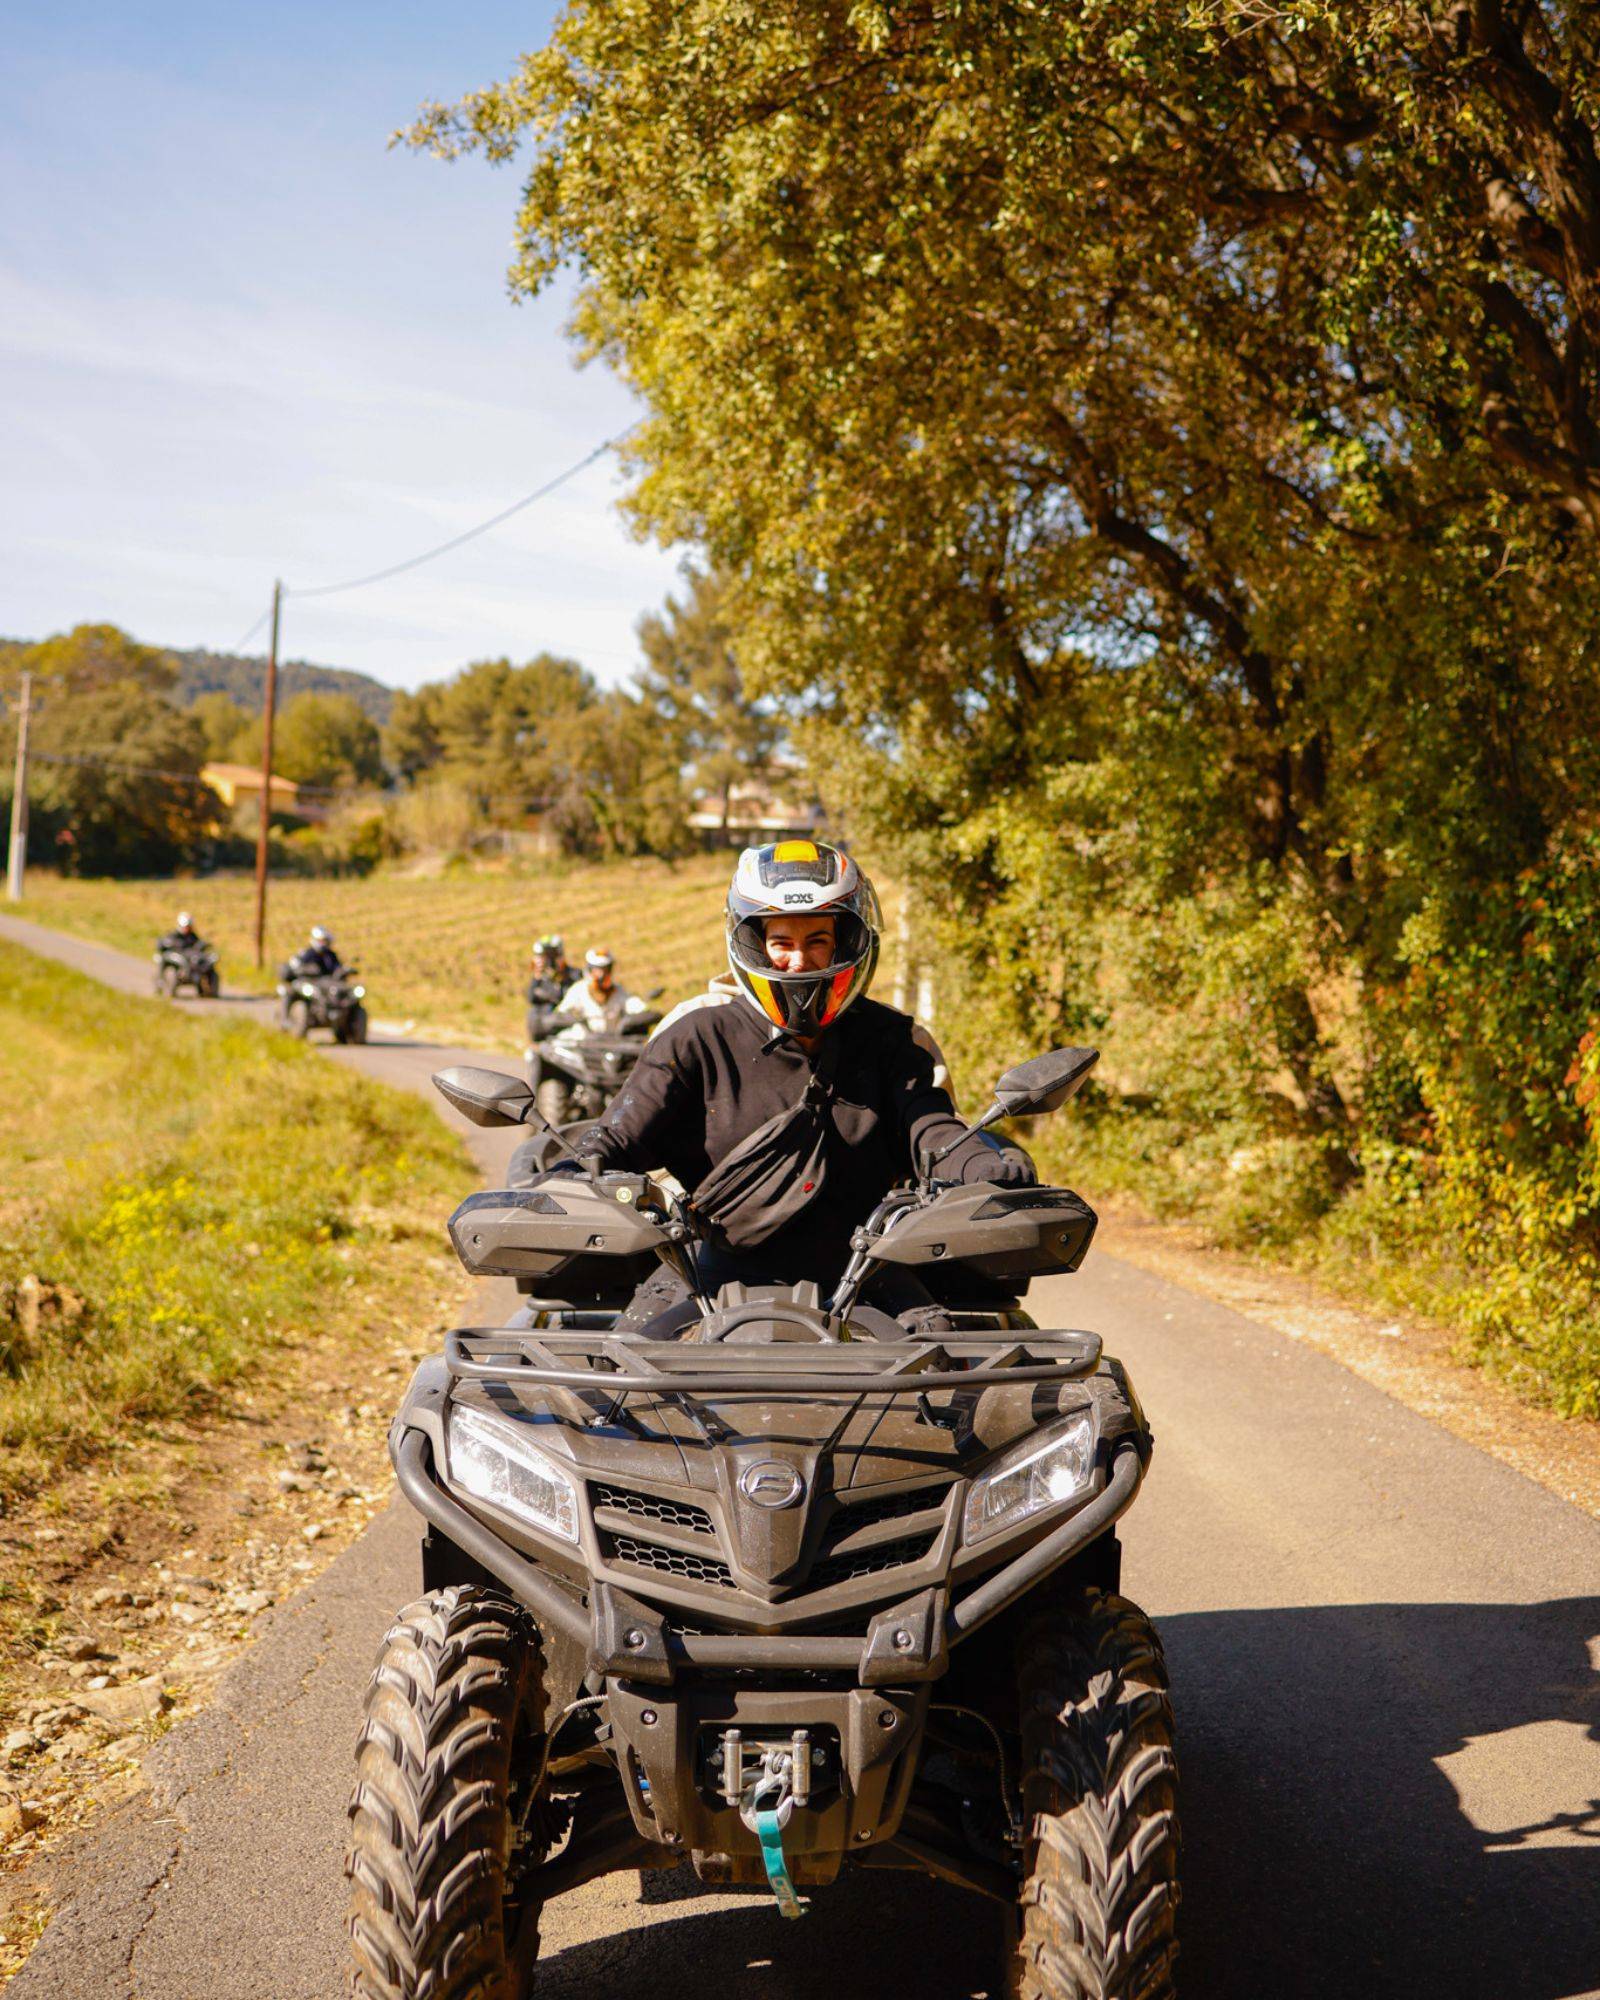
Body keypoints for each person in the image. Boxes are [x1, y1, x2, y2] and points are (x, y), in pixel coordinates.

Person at [557, 840, 1032, 1335]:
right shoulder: (696, 1035)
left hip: (866, 1266)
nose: (798, 962)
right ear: (753, 943)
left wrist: (983, 1165)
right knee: (618, 1383)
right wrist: (573, 1170)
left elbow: (933, 1131)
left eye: (818, 941)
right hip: (708, 1266)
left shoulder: (895, 1041)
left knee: (948, 1382)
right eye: (781, 942)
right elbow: (620, 1134)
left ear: (847, 942)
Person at [553, 947, 650, 1037]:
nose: (602, 975)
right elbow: (561, 1013)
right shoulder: (578, 990)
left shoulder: (618, 992)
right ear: (589, 970)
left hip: (611, 1044)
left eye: (606, 969)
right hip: (583, 1044)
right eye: (598, 970)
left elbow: (637, 1007)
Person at [525, 934, 577, 1041]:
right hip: (543, 1030)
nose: (549, 961)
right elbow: (531, 998)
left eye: (552, 956)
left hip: (567, 1027)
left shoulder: (573, 975)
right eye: (544, 957)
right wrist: (537, 976)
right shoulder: (540, 978)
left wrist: (562, 974)